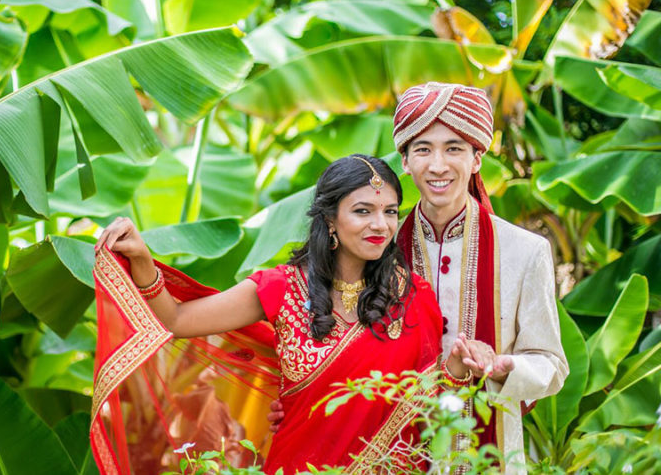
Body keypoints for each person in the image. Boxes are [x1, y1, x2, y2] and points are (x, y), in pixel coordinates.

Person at [92, 155, 473, 474]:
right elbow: (175, 321)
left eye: (390, 211)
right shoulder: (282, 287)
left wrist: (458, 367)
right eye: (363, 211)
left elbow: (429, 405)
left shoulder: (412, 297)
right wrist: (142, 259)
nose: (380, 224)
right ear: (329, 219)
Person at [269, 83, 569, 474]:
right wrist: (303, 400)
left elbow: (552, 366)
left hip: (491, 459)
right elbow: (337, 345)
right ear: (406, 161)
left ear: (477, 158)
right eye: (423, 149)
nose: (438, 165)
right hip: (389, 460)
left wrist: (501, 365)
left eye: (454, 149)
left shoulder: (525, 252)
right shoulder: (377, 249)